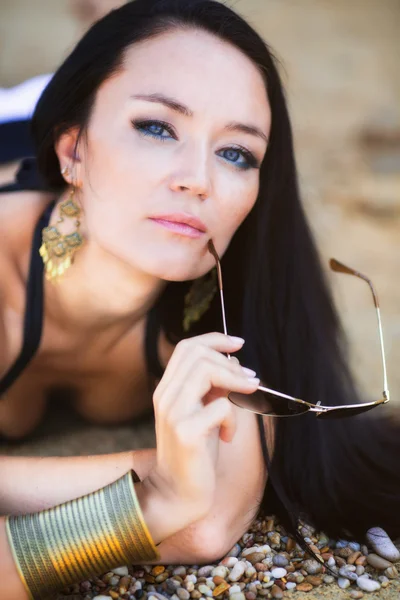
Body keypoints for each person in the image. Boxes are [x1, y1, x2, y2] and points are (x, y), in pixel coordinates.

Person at [0, 0, 399, 598]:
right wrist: (156, 488)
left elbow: (208, 524)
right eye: (157, 128)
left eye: (237, 153)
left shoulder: (232, 304)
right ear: (73, 151)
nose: (199, 180)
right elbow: (188, 500)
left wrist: (170, 504)